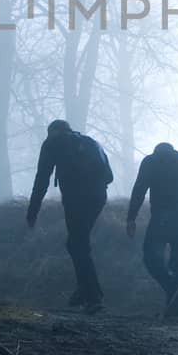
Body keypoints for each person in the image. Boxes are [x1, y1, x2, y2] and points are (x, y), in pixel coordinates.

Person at [28, 119, 114, 311]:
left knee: (78, 244)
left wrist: (32, 211)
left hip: (76, 199)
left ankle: (93, 297)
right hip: (98, 197)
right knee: (76, 243)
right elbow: (109, 175)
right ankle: (84, 289)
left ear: (52, 132)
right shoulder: (91, 142)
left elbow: (42, 178)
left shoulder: (52, 143)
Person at [126, 142, 178, 318]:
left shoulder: (151, 162)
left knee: (150, 257)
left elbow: (139, 190)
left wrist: (131, 218)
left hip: (161, 219)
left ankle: (172, 288)